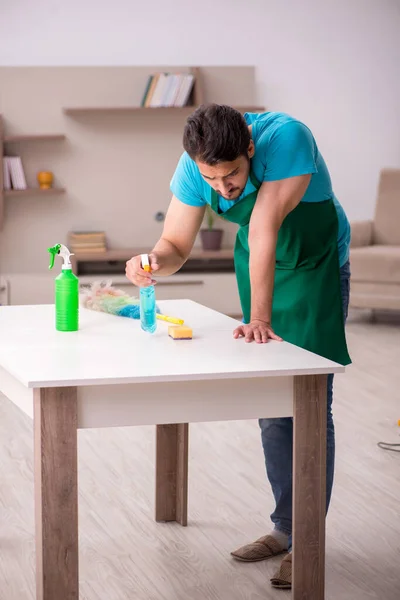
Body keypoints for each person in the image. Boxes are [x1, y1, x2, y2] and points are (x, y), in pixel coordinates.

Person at [126, 104, 351, 590]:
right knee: (272, 406)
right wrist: (150, 262)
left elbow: (266, 224)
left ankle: (307, 543)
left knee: (311, 403)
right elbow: (176, 245)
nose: (223, 189)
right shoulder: (194, 163)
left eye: (231, 176)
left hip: (314, 268)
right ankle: (286, 529)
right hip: (263, 269)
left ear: (250, 148)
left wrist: (259, 319)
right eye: (212, 178)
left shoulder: (287, 137)